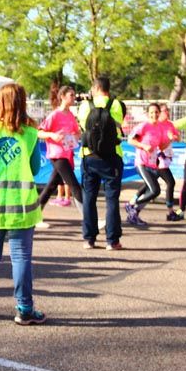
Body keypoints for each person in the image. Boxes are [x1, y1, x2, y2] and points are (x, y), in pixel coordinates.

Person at [0, 83, 47, 324]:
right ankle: (24, 308)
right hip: (21, 206)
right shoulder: (31, 135)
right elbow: (35, 169)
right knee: (21, 257)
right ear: (23, 103)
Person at [77, 77, 126, 250]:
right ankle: (112, 240)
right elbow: (120, 125)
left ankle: (89, 239)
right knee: (112, 199)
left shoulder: (84, 106)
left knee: (89, 198)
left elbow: (81, 127)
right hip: (112, 157)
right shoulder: (116, 105)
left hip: (89, 156)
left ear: (96, 88)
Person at [35, 85, 83, 220]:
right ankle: (90, 219)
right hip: (57, 154)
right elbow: (39, 132)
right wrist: (52, 135)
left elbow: (77, 132)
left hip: (67, 154)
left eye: (74, 95)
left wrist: (75, 136)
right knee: (74, 185)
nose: (74, 98)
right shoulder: (54, 115)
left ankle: (34, 215)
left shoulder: (71, 115)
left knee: (51, 186)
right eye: (71, 95)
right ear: (62, 97)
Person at [126, 103, 178, 226]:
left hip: (152, 163)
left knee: (153, 190)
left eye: (156, 112)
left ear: (159, 113)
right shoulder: (144, 126)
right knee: (154, 190)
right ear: (147, 114)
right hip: (141, 162)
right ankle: (132, 206)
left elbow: (161, 146)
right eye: (151, 112)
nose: (154, 115)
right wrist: (143, 146)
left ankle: (134, 213)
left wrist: (171, 140)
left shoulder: (159, 128)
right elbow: (130, 140)